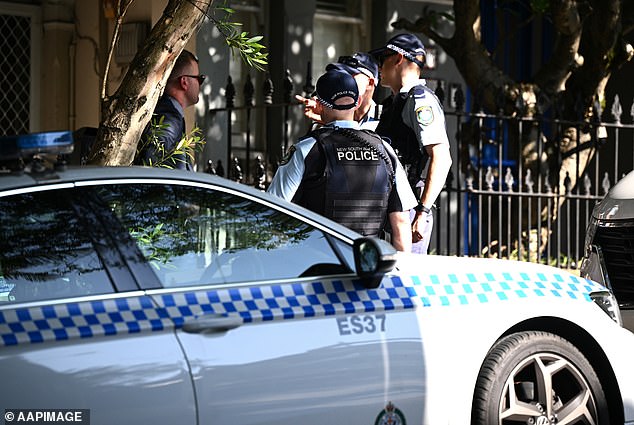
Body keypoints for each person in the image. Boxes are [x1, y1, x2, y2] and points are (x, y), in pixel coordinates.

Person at [268, 69, 417, 251]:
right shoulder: (384, 149)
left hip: (318, 266)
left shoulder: (306, 150)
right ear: (358, 101)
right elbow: (401, 222)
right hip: (369, 267)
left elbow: (273, 208)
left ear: (320, 104)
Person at [369, 33, 452, 254]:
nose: (379, 67)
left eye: (382, 59)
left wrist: (422, 212)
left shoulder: (420, 100)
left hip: (409, 207)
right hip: (392, 204)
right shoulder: (395, 102)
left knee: (406, 279)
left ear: (397, 58)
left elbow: (442, 157)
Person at [136, 49, 204, 170]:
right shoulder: (168, 120)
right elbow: (151, 171)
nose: (200, 84)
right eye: (200, 79)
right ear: (184, 82)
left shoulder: (166, 113)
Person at [295, 52, 381, 130]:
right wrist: (329, 119)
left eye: (349, 76)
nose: (342, 80)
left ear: (370, 83)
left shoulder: (385, 119)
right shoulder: (327, 114)